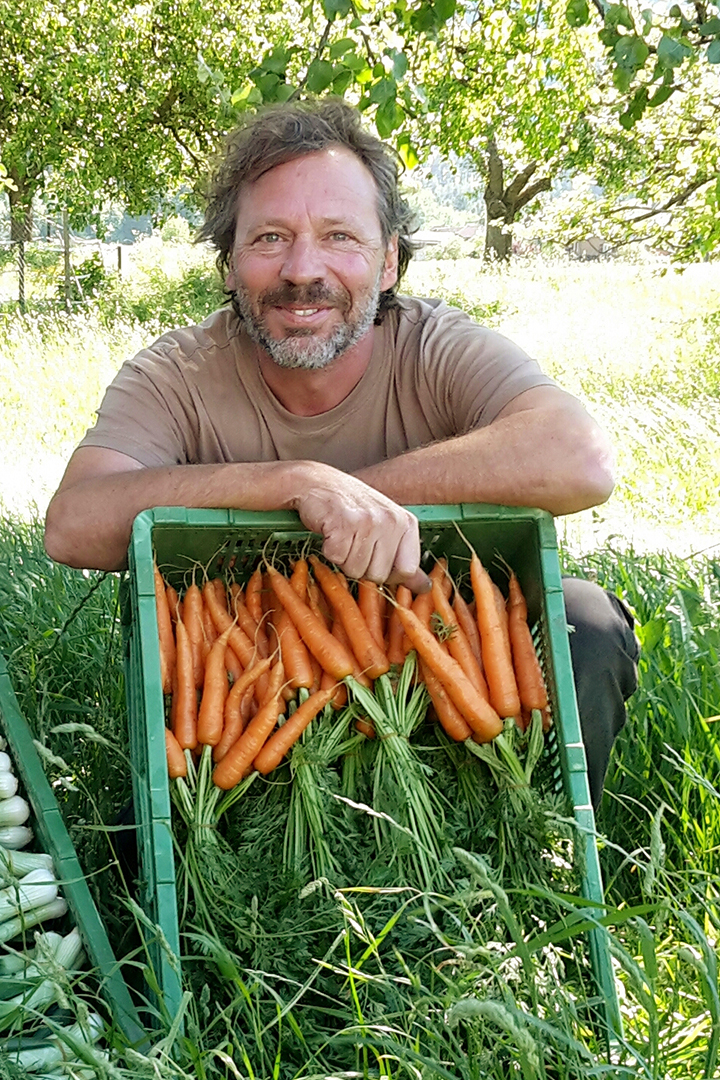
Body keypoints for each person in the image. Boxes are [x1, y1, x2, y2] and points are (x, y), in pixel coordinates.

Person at [44, 98, 638, 808]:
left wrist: (356, 496)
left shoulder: (435, 347)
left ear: (388, 260)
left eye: (338, 236)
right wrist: (294, 482)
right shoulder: (176, 374)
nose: (302, 269)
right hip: (256, 679)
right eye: (268, 238)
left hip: (443, 651)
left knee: (587, 622)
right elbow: (73, 524)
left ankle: (536, 838)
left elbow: (581, 457)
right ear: (229, 263)